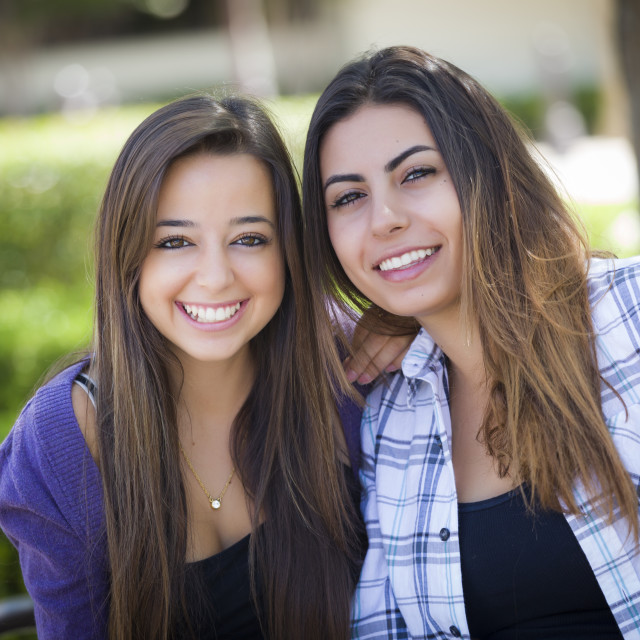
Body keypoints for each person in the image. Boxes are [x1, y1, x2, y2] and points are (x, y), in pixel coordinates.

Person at [0, 93, 409, 640]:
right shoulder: (65, 441)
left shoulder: (343, 373)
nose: (215, 277)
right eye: (175, 241)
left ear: (287, 251)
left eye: (248, 239)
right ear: (128, 257)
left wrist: (414, 322)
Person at [302, 45, 640, 639]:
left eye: (417, 173)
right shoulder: (389, 416)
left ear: (486, 170)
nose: (384, 219)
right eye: (348, 197)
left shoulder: (628, 314)